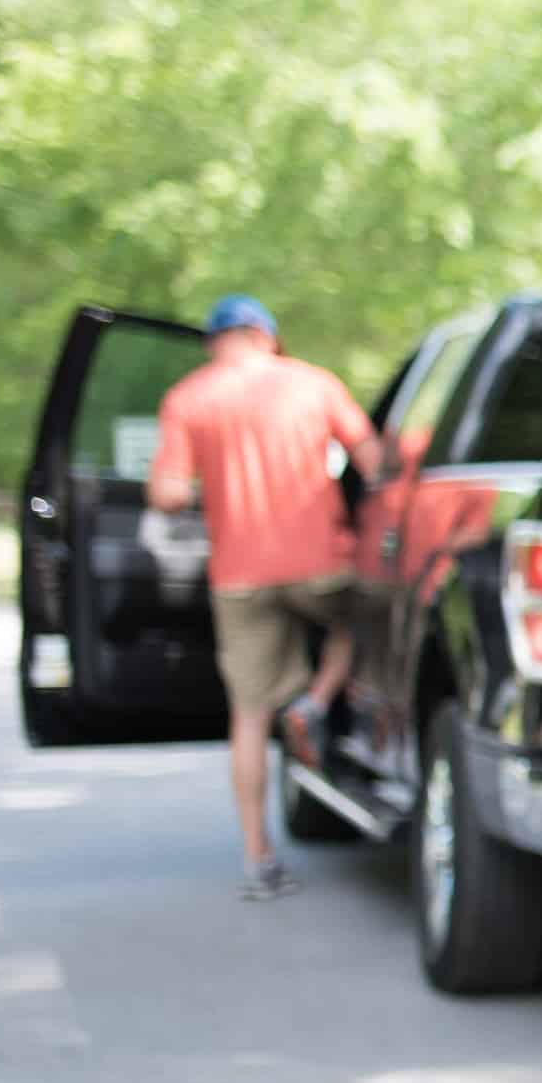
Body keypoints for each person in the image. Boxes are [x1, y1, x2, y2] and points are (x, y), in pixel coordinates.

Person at [148, 296, 385, 901]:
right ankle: (315, 701)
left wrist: (207, 487)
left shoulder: (188, 398)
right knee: (362, 620)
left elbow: (167, 495)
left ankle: (259, 860)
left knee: (249, 715)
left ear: (215, 343)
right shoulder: (313, 384)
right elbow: (375, 462)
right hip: (319, 562)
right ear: (266, 335)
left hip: (239, 576)